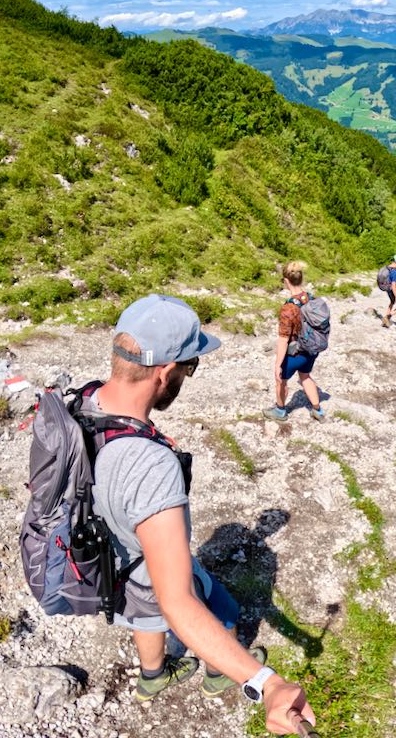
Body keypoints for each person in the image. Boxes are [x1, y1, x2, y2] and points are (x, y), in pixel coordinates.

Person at [89, 294, 315, 734]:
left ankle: (152, 677)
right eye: (190, 366)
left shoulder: (83, 403)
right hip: (148, 559)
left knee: (144, 613)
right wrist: (266, 684)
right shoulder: (150, 465)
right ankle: (218, 674)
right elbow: (177, 602)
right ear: (164, 371)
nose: (188, 376)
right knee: (220, 607)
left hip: (112, 558)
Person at [263, 262, 325, 423]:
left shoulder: (288, 308)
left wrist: (278, 365)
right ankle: (318, 410)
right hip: (311, 349)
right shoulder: (311, 298)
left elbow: (283, 339)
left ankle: (280, 411)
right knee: (305, 376)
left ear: (286, 281)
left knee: (281, 380)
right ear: (301, 278)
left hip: (295, 353)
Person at [381, 254, 396, 328]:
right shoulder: (394, 271)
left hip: (387, 289)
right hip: (393, 290)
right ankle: (387, 317)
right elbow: (393, 285)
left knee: (392, 302)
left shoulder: (387, 268)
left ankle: (386, 320)